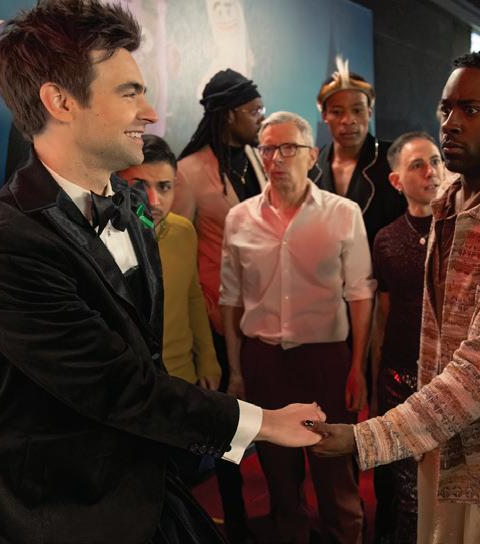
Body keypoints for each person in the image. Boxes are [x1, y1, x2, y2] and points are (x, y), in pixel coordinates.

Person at [0, 2, 323, 542]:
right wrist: (262, 422)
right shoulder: (3, 245)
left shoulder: (129, 203)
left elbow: (143, 355)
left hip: (146, 481)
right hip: (51, 508)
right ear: (59, 101)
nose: (149, 112)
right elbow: (117, 386)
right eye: (129, 93)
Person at [312, 50, 480, 544]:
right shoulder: (451, 199)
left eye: (471, 110)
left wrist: (367, 436)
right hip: (445, 446)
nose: (450, 124)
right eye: (447, 108)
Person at [220, 111, 374, 544]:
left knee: (335, 473)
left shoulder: (343, 214)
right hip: (264, 360)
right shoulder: (240, 218)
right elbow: (230, 299)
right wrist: (236, 370)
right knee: (278, 477)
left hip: (325, 360)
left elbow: (360, 294)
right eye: (268, 148)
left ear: (312, 156)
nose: (276, 158)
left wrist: (357, 367)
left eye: (289, 148)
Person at [172, 67, 265, 544]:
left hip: (262, 314)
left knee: (262, 420)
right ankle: (236, 519)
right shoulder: (189, 171)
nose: (260, 117)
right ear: (229, 115)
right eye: (254, 110)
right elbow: (178, 249)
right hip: (216, 316)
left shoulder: (258, 159)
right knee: (229, 427)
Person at [368, 131, 445, 543]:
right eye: (418, 165)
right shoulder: (386, 239)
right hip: (400, 372)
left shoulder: (462, 230)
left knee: (446, 485)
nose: (431, 172)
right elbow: (383, 310)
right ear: (397, 181)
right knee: (406, 489)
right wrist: (375, 371)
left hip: (450, 375)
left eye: (436, 161)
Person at [119, 135, 219, 389]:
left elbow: (192, 297)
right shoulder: (104, 237)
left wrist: (207, 357)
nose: (153, 201)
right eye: (140, 185)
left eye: (164, 187)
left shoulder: (183, 231)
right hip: (128, 380)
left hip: (182, 375)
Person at [311, 55, 406, 247]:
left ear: (369, 113)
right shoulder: (313, 166)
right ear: (324, 116)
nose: (348, 120)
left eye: (357, 110)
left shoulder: (396, 158)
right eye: (337, 112)